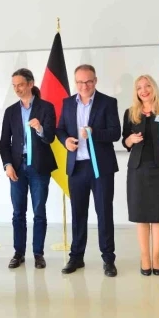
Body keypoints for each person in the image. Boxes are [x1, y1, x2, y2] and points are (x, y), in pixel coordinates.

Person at [56, 64, 121, 277]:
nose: (84, 86)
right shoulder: (67, 103)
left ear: (95, 81)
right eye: (80, 82)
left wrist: (94, 133)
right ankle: (76, 257)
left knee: (104, 213)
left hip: (101, 168)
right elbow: (60, 129)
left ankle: (108, 259)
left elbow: (115, 133)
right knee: (78, 214)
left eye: (88, 81)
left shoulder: (108, 102)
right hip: (76, 167)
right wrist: (66, 141)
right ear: (75, 82)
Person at [0, 68, 57, 270]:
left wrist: (40, 128)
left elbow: (50, 137)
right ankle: (19, 253)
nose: (17, 89)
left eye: (21, 85)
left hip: (39, 167)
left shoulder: (46, 107)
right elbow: (4, 143)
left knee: (39, 211)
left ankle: (38, 253)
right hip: (16, 167)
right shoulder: (10, 111)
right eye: (14, 86)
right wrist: (7, 165)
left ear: (31, 84)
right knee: (18, 213)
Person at [121, 75, 159, 276]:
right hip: (138, 170)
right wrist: (130, 139)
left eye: (147, 86)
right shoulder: (130, 113)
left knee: (158, 216)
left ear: (154, 88)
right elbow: (125, 142)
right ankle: (145, 257)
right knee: (142, 216)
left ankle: (156, 257)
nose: (143, 90)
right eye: (139, 88)